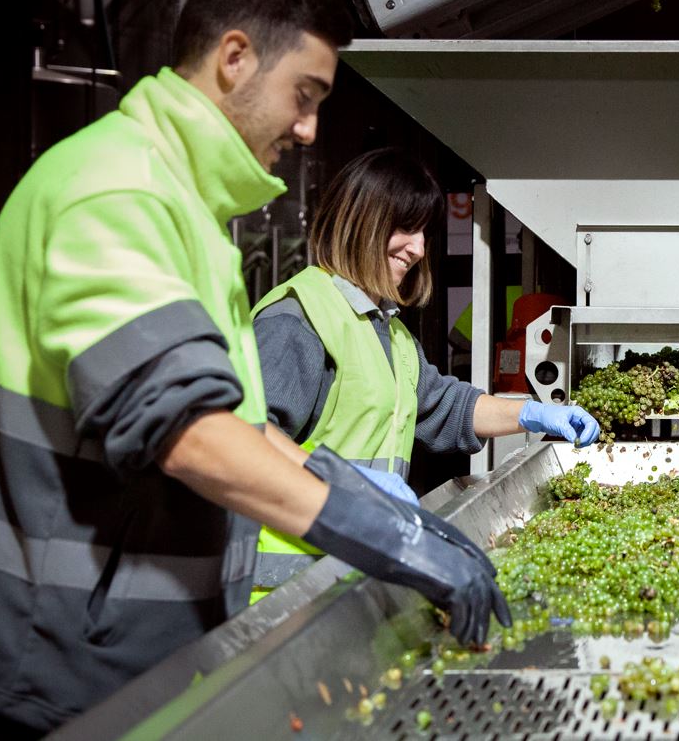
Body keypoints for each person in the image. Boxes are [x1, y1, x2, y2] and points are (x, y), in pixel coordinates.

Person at [0, 0, 508, 736]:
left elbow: (236, 417)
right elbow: (192, 435)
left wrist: (388, 513)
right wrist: (381, 539)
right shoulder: (114, 191)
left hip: (149, 655)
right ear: (234, 58)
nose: (308, 129)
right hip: (74, 675)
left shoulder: (184, 212)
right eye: (305, 95)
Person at [248, 148, 599, 597]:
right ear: (361, 220)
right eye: (404, 228)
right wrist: (349, 482)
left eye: (422, 233)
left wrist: (532, 413)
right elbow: (248, 437)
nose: (417, 249)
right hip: (285, 587)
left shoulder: (388, 331)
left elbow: (446, 406)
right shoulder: (298, 318)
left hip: (353, 573)